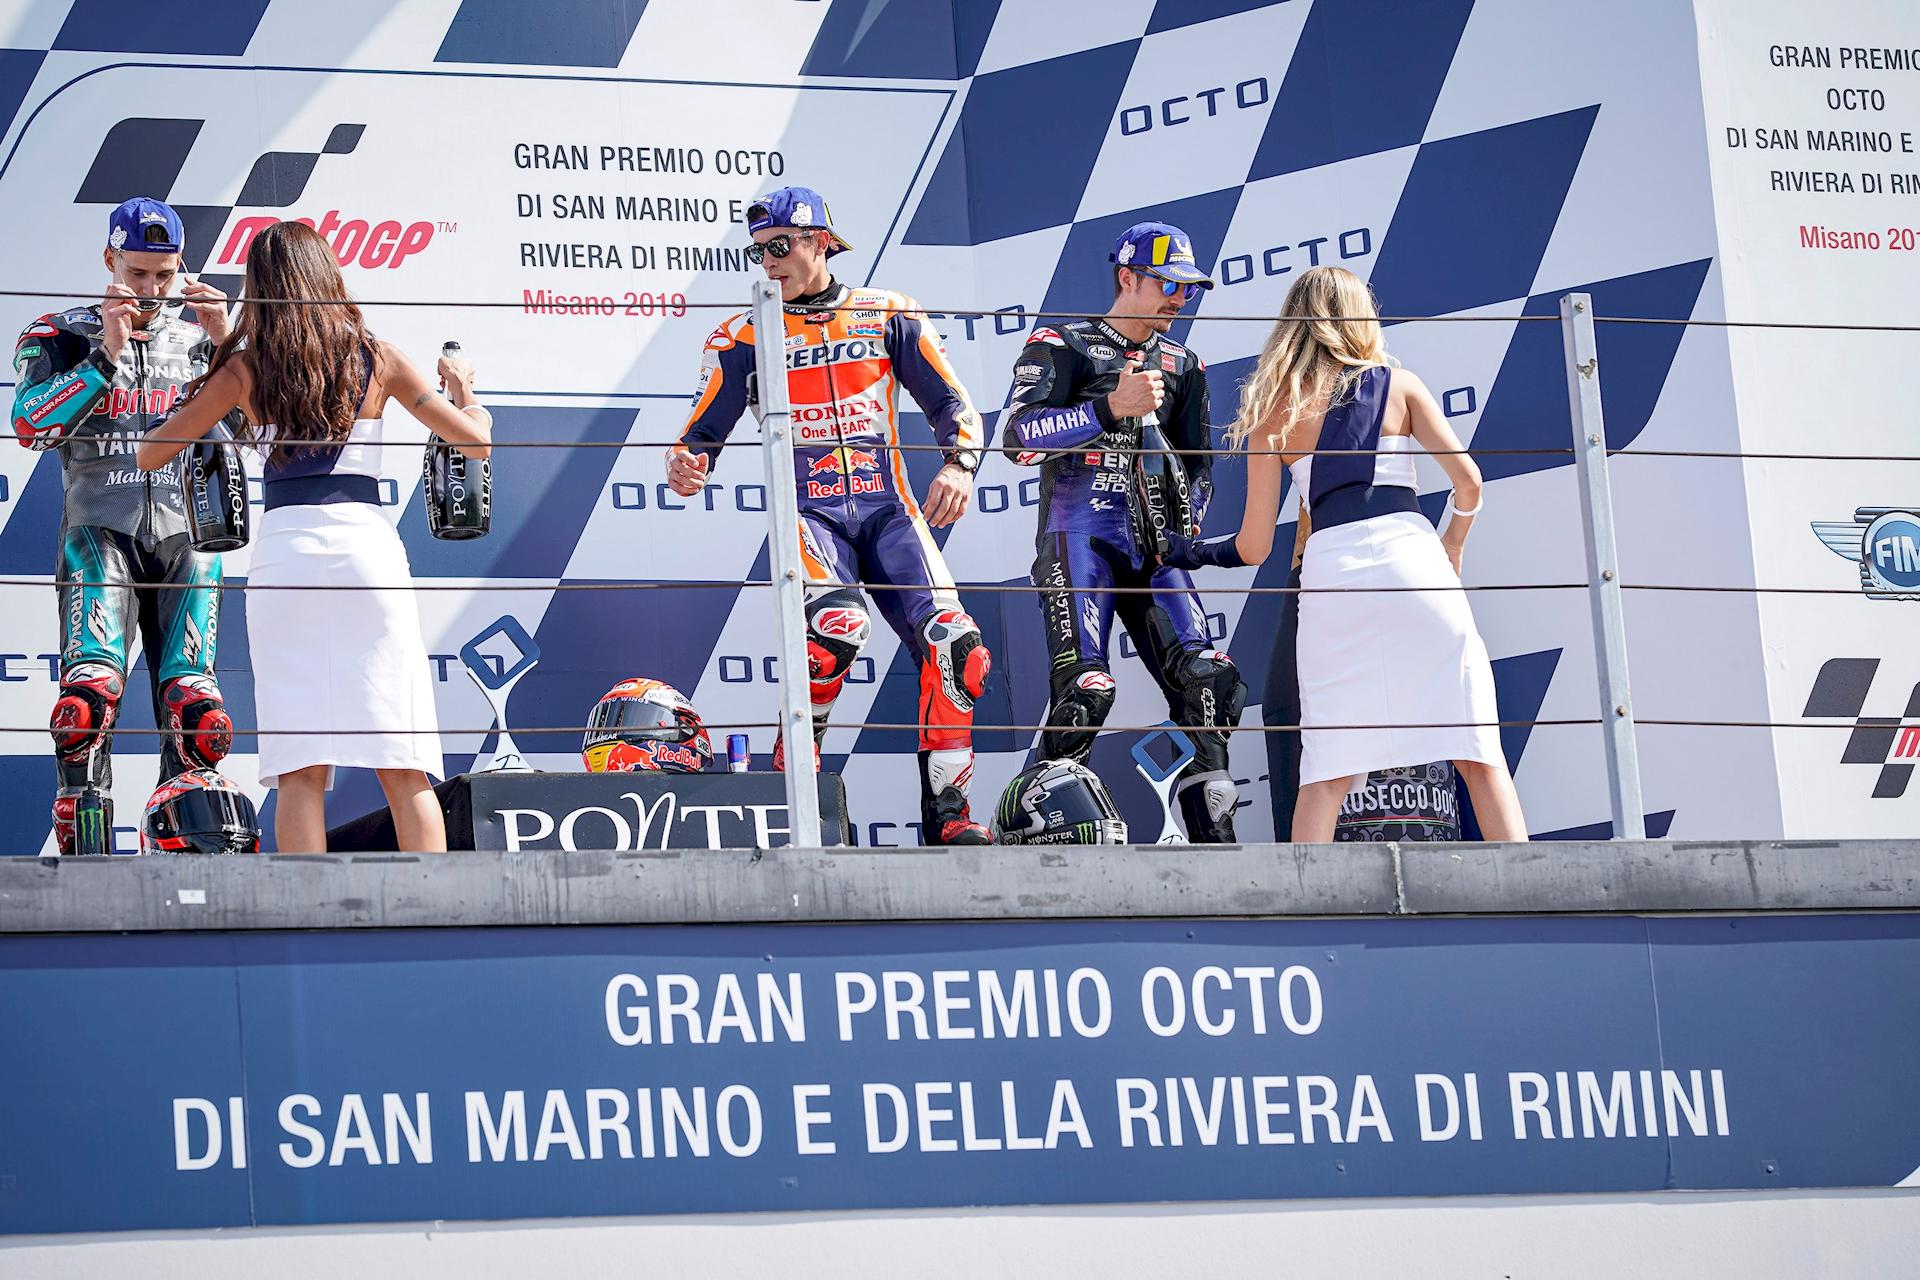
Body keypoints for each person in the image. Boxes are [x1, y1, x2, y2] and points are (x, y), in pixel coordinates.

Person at [137, 220, 491, 852]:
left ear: (260, 286)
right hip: (366, 551)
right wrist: (468, 393)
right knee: (403, 760)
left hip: (286, 555)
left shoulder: (247, 368)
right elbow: (474, 440)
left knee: (299, 768)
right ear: (327, 275)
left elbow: (151, 454)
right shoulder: (376, 355)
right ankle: (441, 917)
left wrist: (216, 371)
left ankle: (311, 929)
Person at [668, 185, 993, 846]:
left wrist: (959, 465)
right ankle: (801, 779)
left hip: (890, 511)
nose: (769, 262)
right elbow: (700, 433)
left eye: (780, 246)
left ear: (820, 241)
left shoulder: (886, 313)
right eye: (759, 251)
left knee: (958, 647)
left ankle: (949, 817)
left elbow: (953, 404)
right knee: (836, 627)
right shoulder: (741, 334)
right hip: (811, 512)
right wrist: (685, 464)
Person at [1169, 266, 1528, 842]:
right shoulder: (1399, 384)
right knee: (1478, 753)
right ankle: (1533, 907)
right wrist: (1452, 543)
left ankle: (1310, 918)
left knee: (1326, 773)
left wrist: (1183, 551)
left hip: (1331, 576)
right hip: (1414, 562)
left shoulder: (1271, 417)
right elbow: (1470, 484)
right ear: (1360, 317)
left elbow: (1254, 546)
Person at [999, 221, 1244, 843]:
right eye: (1166, 283)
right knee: (1088, 691)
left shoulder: (1184, 364)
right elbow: (1018, 441)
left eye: (1186, 288)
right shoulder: (1064, 343)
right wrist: (1110, 408)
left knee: (1210, 681)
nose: (1178, 299)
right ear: (1125, 277)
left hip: (1157, 550)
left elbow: (1200, 465)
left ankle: (1215, 850)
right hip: (1077, 539)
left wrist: (1186, 524)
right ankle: (1040, 834)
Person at [10, 196, 236, 854]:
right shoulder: (59, 332)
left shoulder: (200, 340)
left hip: (189, 539)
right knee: (85, 709)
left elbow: (253, 431)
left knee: (201, 719)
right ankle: (86, 854)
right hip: (98, 536)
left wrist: (227, 344)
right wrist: (105, 356)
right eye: (137, 273)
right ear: (109, 260)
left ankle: (189, 854)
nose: (152, 289)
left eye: (165, 275)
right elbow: (31, 427)